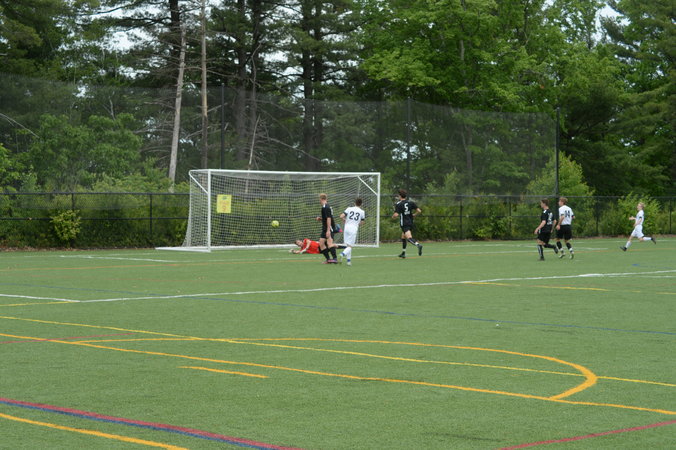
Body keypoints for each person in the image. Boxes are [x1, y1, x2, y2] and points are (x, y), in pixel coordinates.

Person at [392, 189, 423, 258]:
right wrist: (414, 215)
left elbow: (396, 215)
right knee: (403, 237)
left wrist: (393, 216)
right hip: (410, 222)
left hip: (404, 223)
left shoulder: (399, 204)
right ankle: (403, 253)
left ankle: (418, 245)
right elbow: (419, 211)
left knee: (409, 238)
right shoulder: (410, 202)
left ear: (400, 196)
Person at [339, 198, 366, 266]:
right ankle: (342, 254)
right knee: (350, 246)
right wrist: (357, 224)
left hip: (346, 228)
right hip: (353, 229)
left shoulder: (349, 208)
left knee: (348, 245)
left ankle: (348, 261)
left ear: (354, 203)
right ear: (361, 204)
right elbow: (362, 222)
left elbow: (341, 216)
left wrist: (344, 220)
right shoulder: (362, 211)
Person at [317, 193, 338, 263]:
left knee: (329, 243)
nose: (319, 201)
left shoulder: (327, 207)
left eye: (319, 199)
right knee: (321, 243)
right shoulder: (324, 207)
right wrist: (321, 219)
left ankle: (335, 259)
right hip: (325, 227)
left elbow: (329, 218)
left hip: (329, 227)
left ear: (322, 199)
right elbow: (326, 218)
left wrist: (328, 230)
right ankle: (328, 259)